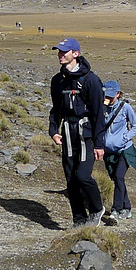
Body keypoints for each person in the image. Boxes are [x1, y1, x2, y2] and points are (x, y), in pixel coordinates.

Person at [48, 37, 106, 228]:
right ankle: (79, 220)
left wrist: (99, 144)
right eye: (59, 51)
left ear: (76, 54)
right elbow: (56, 108)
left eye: (64, 52)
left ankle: (97, 209)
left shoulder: (91, 80)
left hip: (85, 135)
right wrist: (53, 130)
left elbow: (99, 114)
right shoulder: (57, 81)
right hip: (67, 133)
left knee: (83, 176)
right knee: (71, 179)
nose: (60, 55)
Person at [102, 80, 136, 224]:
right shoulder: (103, 108)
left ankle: (116, 210)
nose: (108, 99)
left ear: (118, 94)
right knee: (117, 179)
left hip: (124, 150)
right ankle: (127, 207)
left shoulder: (125, 108)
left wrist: (125, 138)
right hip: (109, 152)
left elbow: (135, 126)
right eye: (106, 96)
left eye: (111, 96)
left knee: (119, 177)